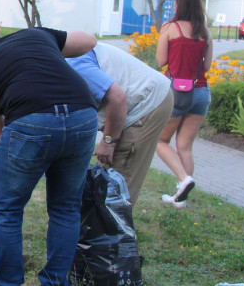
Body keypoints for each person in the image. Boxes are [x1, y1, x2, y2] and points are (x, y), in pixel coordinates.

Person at [0, 27, 98, 286]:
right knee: (65, 208)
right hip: (83, 115)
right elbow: (89, 40)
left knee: (8, 210)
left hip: (30, 121)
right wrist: (48, 50)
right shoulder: (36, 35)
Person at [66, 42, 175, 205]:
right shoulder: (64, 55)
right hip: (134, 102)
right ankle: (97, 223)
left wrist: (109, 141)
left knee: (120, 176)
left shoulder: (75, 65)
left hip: (146, 104)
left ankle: (113, 227)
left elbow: (117, 98)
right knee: (107, 173)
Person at [154, 0, 213, 208]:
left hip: (177, 93)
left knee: (160, 141)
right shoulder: (204, 32)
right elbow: (206, 66)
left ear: (179, 4)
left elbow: (161, 61)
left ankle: (184, 179)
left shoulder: (170, 28)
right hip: (200, 92)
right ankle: (181, 198)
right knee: (185, 146)